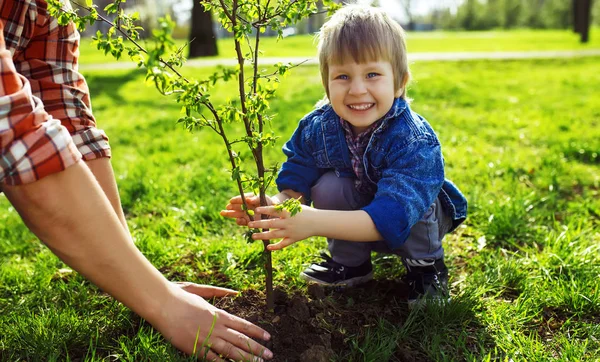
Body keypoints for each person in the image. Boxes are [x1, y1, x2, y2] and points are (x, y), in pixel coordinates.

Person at [0, 0, 272, 360]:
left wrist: (141, 281)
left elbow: (68, 117)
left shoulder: (49, 8)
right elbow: (18, 137)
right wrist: (163, 302)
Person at [221, 5, 468, 306]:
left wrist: (313, 222)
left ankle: (425, 267)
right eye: (342, 76)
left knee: (420, 201)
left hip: (410, 220)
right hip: (357, 214)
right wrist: (274, 206)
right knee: (327, 185)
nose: (357, 89)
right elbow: (297, 181)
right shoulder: (318, 127)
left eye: (372, 74)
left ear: (400, 82)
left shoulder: (414, 141)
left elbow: (391, 217)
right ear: (326, 84)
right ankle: (350, 263)